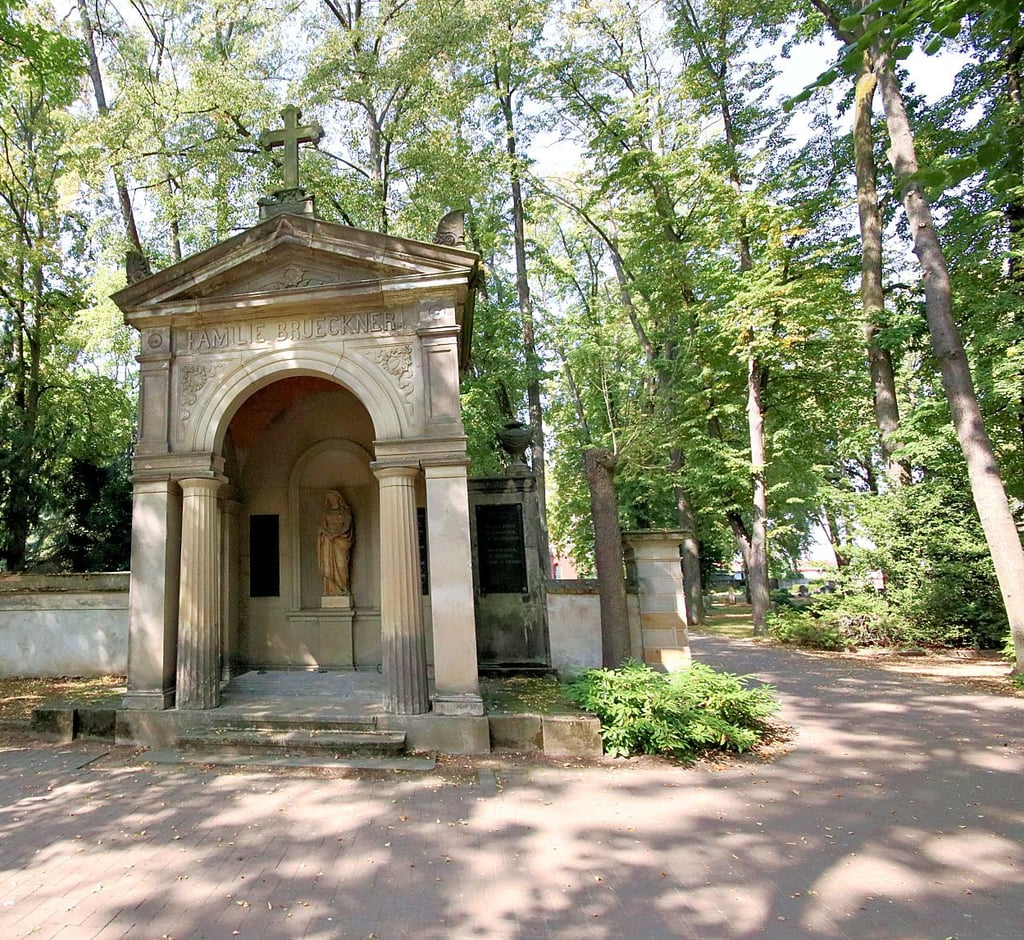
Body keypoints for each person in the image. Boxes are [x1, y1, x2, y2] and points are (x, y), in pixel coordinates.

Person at [317, 489, 354, 596]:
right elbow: (321, 527)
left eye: (332, 498)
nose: (331, 500)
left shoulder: (345, 512)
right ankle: (331, 591)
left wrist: (336, 534)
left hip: (341, 540)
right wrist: (329, 534)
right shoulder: (325, 513)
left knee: (342, 565)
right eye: (329, 499)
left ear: (338, 498)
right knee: (328, 567)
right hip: (328, 541)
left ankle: (343, 588)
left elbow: (347, 526)